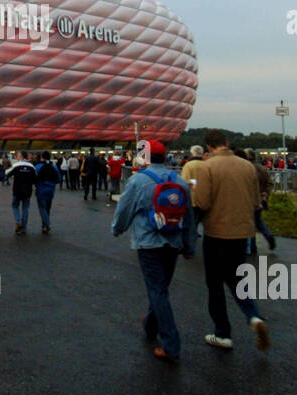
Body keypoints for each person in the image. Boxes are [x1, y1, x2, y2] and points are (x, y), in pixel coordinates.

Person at [111, 140, 197, 362]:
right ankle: (150, 325)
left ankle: (171, 345)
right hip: (173, 242)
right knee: (160, 288)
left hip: (148, 243)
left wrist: (117, 229)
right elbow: (189, 218)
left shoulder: (137, 181)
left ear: (145, 157)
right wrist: (189, 246)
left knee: (158, 291)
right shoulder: (179, 181)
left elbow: (124, 209)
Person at [186, 132, 270, 352]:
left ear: (208, 146)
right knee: (236, 279)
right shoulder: (247, 166)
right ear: (226, 143)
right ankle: (254, 316)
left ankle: (222, 333)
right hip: (241, 234)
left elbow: (202, 202)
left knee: (214, 284)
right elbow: (255, 202)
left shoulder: (207, 167)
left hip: (216, 234)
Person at [7, 151, 36, 234]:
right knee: (25, 208)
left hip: (17, 190)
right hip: (27, 190)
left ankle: (18, 221)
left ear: (22, 156)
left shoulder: (16, 165)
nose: (16, 157)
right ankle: (24, 228)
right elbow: (35, 179)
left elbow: (7, 173)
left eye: (18, 156)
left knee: (15, 206)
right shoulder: (31, 166)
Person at [34, 152, 60, 234]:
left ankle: (46, 224)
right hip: (51, 189)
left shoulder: (38, 166)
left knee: (42, 208)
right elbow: (58, 179)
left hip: (41, 189)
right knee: (47, 208)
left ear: (42, 157)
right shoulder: (53, 166)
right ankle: (44, 226)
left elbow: (34, 177)